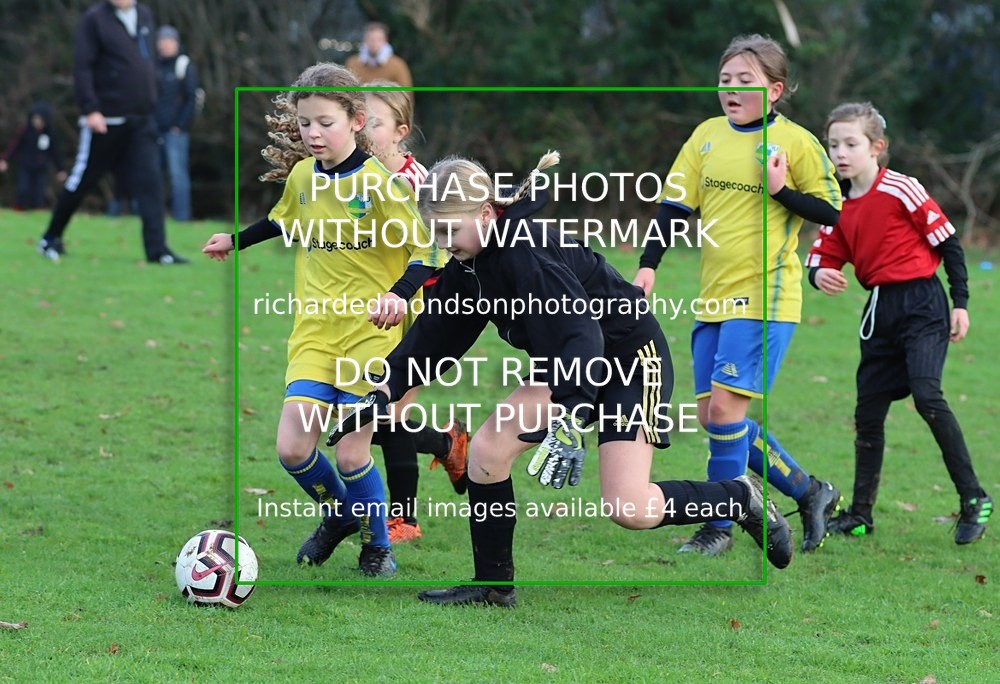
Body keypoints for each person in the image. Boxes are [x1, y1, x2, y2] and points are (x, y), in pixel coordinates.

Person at [328, 152, 795, 606]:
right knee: (488, 450)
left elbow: (581, 331)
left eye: (451, 229)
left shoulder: (526, 250)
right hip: (569, 363)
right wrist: (381, 394)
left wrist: (570, 413)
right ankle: (493, 587)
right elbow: (433, 339)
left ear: (487, 213)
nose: (444, 241)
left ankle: (739, 495)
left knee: (629, 509)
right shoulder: (469, 266)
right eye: (436, 231)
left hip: (631, 359)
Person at [202, 62, 447, 576]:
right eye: (305, 123)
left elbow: (428, 249)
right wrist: (235, 240)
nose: (313, 133)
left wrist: (400, 295)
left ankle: (377, 545)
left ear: (357, 120)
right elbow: (281, 218)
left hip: (371, 338)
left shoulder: (381, 185)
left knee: (354, 453)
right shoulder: (302, 176)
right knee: (292, 448)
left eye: (325, 122)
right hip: (315, 334)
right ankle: (340, 515)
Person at [633, 34, 844, 555]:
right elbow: (673, 208)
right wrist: (646, 266)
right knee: (714, 418)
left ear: (774, 90)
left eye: (744, 81)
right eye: (725, 80)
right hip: (713, 297)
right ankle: (808, 490)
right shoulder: (705, 135)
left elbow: (834, 211)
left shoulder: (794, 143)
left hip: (767, 297)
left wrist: (780, 192)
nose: (730, 89)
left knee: (726, 413)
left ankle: (719, 525)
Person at [806, 102, 992, 545]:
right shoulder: (834, 203)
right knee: (867, 415)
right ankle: (861, 515)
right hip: (880, 313)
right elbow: (820, 256)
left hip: (924, 304)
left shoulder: (902, 189)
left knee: (928, 396)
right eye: (834, 145)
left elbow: (949, 245)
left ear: (877, 147)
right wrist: (818, 274)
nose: (841, 153)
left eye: (851, 144)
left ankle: (974, 499)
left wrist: (960, 303)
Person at [364, 82, 468, 543]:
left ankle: (402, 518)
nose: (363, 130)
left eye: (374, 123)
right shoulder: (352, 174)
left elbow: (438, 251)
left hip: (422, 305)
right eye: (357, 119)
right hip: (370, 308)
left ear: (400, 131)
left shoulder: (415, 182)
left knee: (384, 415)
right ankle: (448, 443)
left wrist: (405, 293)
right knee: (373, 418)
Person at [38, 0, 187, 264]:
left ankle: (158, 251)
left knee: (151, 183)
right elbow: (82, 66)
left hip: (142, 121)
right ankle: (50, 237)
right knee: (83, 181)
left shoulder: (144, 15)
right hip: (105, 120)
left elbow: (148, 61)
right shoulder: (94, 20)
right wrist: (90, 109)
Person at [154, 25, 196, 221]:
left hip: (175, 132)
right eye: (161, 41)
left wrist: (180, 125)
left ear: (177, 44)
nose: (164, 45)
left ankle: (181, 216)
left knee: (177, 175)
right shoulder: (153, 66)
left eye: (168, 41)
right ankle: (153, 214)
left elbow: (191, 98)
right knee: (152, 174)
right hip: (153, 129)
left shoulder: (183, 65)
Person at [0, 102, 67, 210]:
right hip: (25, 165)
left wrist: (61, 169)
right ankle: (18, 208)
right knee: (23, 189)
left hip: (41, 167)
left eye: (40, 120)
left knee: (39, 192)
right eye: (35, 119)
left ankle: (38, 210)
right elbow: (15, 146)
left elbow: (55, 153)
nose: (37, 122)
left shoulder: (50, 133)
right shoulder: (25, 131)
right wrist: (5, 160)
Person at [345, 22, 413, 90]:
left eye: (379, 39)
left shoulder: (398, 65)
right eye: (371, 39)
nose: (374, 43)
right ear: (364, 40)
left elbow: (406, 94)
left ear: (385, 41)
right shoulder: (352, 63)